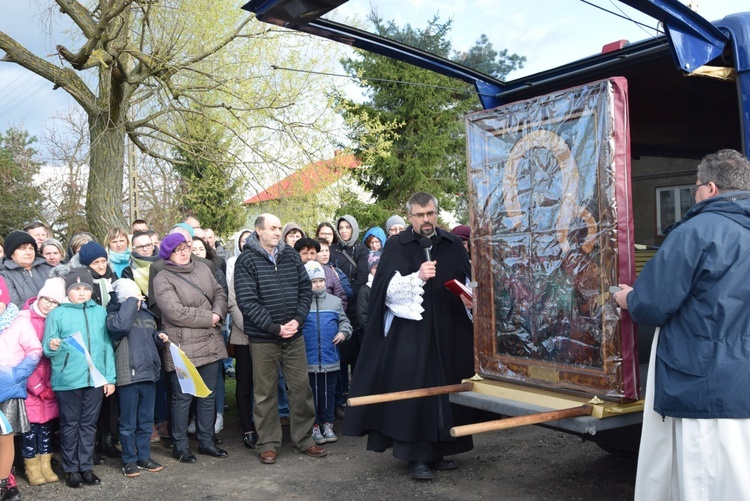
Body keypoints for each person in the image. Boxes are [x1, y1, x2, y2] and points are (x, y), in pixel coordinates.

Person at [613, 149, 750, 500]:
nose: (694, 196)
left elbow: (654, 304)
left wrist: (629, 298)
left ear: (711, 188)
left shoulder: (697, 231)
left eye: (695, 188)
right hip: (741, 375)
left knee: (703, 477)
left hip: (701, 376)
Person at [343, 192, 475, 481]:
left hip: (448, 331)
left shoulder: (452, 244)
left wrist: (469, 297)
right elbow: (383, 292)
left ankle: (440, 450)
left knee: (446, 388)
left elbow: (468, 279)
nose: (426, 220)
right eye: (419, 215)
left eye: (430, 213)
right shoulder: (396, 246)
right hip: (411, 335)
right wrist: (416, 277)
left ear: (436, 213)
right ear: (410, 217)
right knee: (415, 392)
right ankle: (416, 457)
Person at [234, 213, 328, 464]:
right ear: (258, 231)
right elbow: (247, 301)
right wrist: (275, 328)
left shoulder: (290, 257)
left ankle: (305, 439)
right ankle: (268, 443)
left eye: (279, 228)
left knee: (301, 389)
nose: (277, 232)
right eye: (272, 228)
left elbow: (304, 290)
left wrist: (297, 320)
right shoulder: (246, 260)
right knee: (265, 394)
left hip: (294, 335)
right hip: (264, 339)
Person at [153, 233, 228, 464]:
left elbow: (220, 293)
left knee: (208, 394)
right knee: (182, 396)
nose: (184, 252)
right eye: (178, 250)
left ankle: (207, 440)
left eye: (186, 247)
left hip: (210, 340)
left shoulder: (204, 268)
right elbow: (175, 312)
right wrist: (211, 317)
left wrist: (217, 313)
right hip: (183, 346)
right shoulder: (163, 278)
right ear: (168, 254)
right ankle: (181, 445)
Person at [43, 267, 116, 488]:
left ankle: (86, 467)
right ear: (68, 291)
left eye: (85, 288)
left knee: (88, 424)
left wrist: (109, 378)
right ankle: (71, 469)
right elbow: (47, 345)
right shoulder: (58, 313)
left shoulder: (99, 312)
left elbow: (106, 346)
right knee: (70, 425)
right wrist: (52, 345)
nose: (82, 293)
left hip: (95, 380)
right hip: (68, 380)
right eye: (76, 289)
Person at [106, 279, 168, 478]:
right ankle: (128, 460)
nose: (138, 300)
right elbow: (120, 328)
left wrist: (159, 338)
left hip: (149, 374)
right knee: (127, 423)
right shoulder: (114, 316)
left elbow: (151, 341)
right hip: (128, 376)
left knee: (145, 420)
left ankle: (144, 456)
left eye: (138, 296)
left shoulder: (147, 315)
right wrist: (130, 302)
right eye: (132, 297)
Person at [19, 277, 66, 486]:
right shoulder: (24, 319)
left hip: (51, 382)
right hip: (30, 385)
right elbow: (22, 356)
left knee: (46, 426)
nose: (48, 304)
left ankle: (45, 464)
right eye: (45, 299)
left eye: (54, 302)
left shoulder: (56, 320)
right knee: (30, 429)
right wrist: (37, 386)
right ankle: (32, 467)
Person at [0, 276, 43, 500]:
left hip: (8, 389)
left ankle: (5, 481)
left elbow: (34, 350)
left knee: (5, 436)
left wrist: (15, 375)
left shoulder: (18, 321)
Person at [302, 261, 352, 445]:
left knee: (328, 393)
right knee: (312, 394)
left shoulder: (335, 301)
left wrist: (343, 332)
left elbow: (345, 322)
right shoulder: (302, 303)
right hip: (309, 359)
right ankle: (314, 426)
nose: (318, 285)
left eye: (321, 281)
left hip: (330, 358)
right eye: (314, 281)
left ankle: (328, 424)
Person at [225, 229, 257, 449]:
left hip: (267, 336)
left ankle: (265, 424)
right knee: (245, 382)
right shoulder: (237, 269)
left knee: (265, 383)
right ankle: (247, 427)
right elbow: (233, 302)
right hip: (244, 334)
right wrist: (250, 327)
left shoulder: (266, 267)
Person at [0, 230, 52, 306]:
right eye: (22, 248)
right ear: (11, 253)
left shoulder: (48, 269)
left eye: (31, 248)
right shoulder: (4, 275)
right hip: (25, 316)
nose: (28, 252)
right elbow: (14, 305)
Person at [314, 238, 349, 311]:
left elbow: (341, 296)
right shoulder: (306, 269)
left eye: (327, 250)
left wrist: (336, 315)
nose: (325, 254)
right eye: (321, 251)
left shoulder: (332, 271)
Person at [356, 252, 380, 333]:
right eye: (376, 268)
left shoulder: (392, 287)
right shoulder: (365, 291)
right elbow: (362, 316)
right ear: (370, 270)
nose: (379, 270)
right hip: (372, 334)